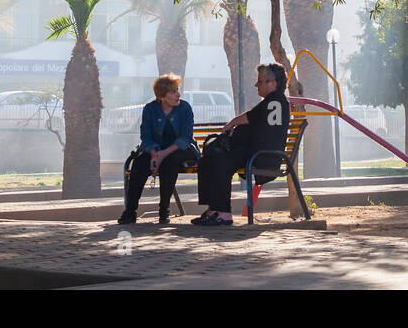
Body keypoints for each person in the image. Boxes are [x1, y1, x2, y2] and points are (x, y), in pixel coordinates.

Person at [192, 63, 290, 226]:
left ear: (273, 84)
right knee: (208, 161)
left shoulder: (275, 101)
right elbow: (253, 116)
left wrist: (231, 125)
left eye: (260, 81)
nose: (256, 85)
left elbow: (248, 118)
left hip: (261, 156)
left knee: (220, 161)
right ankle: (213, 210)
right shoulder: (272, 102)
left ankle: (223, 213)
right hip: (258, 153)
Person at [120, 74, 198, 225]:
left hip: (181, 150)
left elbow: (185, 137)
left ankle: (164, 210)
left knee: (169, 162)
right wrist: (155, 153)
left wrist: (162, 155)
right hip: (155, 151)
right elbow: (146, 135)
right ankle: (130, 212)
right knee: (139, 164)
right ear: (162, 95)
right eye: (173, 92)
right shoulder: (150, 109)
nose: (178, 95)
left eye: (177, 90)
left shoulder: (185, 108)